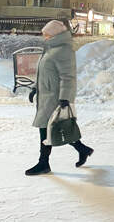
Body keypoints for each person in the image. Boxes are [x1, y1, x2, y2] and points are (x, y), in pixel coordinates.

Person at [26, 20, 93, 176]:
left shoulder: (64, 50)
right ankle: (83, 149)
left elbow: (68, 77)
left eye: (46, 34)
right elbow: (44, 72)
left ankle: (43, 163)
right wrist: (35, 88)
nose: (44, 37)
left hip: (55, 97)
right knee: (57, 127)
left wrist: (65, 98)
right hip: (46, 95)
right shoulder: (50, 49)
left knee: (47, 128)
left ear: (55, 34)